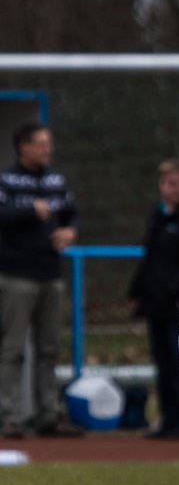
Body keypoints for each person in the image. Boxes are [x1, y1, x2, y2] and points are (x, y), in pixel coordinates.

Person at [0, 123, 80, 438]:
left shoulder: (55, 180)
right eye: (41, 144)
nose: (48, 149)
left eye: (50, 143)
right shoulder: (6, 180)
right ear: (23, 146)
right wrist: (30, 210)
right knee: (13, 349)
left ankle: (48, 415)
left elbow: (71, 213)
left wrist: (71, 230)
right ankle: (11, 417)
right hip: (17, 278)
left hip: (50, 276)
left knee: (49, 349)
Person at [128, 159, 179, 438]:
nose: (167, 189)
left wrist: (172, 288)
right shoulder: (158, 217)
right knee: (162, 364)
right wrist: (137, 290)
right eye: (163, 183)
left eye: (173, 183)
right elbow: (149, 258)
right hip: (157, 305)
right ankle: (169, 420)